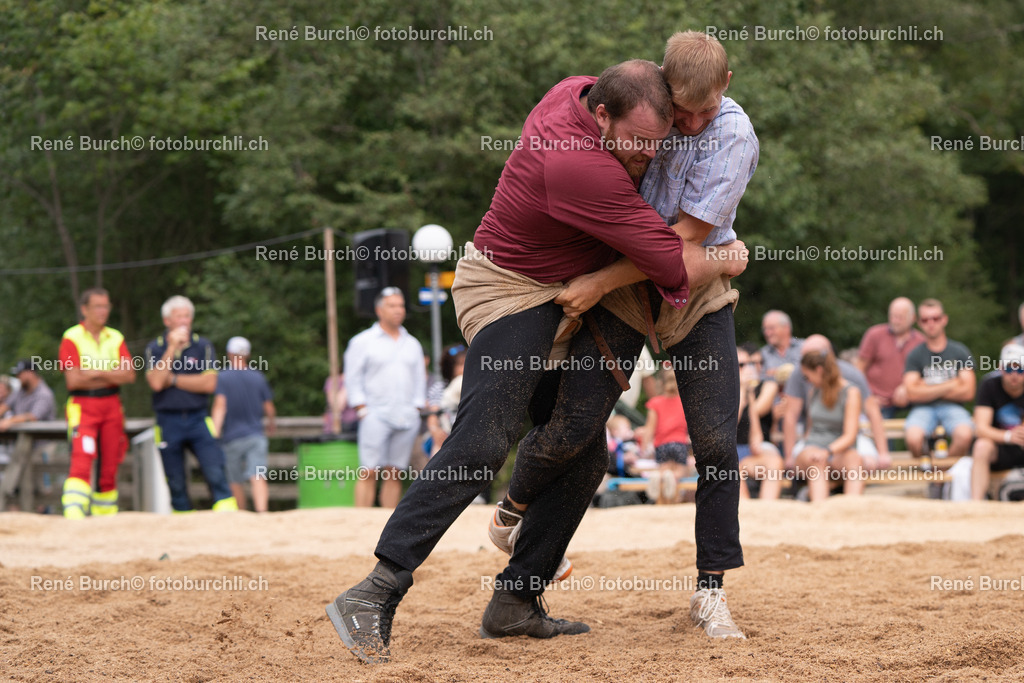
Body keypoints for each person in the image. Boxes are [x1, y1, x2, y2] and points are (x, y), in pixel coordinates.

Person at [327, 58, 747, 663]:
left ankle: (516, 602)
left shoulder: (580, 92)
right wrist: (730, 256)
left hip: (561, 285)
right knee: (483, 439)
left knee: (584, 451)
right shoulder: (580, 165)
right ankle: (377, 588)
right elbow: (676, 262)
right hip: (509, 288)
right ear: (601, 117)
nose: (650, 158)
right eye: (638, 144)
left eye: (659, 143)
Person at [488, 32, 757, 640]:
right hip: (629, 291)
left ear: (727, 85)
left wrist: (596, 282)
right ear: (663, 84)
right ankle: (514, 506)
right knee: (573, 426)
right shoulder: (641, 108)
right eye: (680, 111)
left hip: (692, 285)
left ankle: (710, 591)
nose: (689, 123)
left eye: (702, 111)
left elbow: (681, 243)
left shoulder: (733, 136)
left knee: (715, 444)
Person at [144, 295, 237, 513]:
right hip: (167, 420)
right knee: (175, 479)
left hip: (198, 418)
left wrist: (173, 380)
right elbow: (157, 383)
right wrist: (171, 350)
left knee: (215, 469)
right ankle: (183, 521)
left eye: (187, 316)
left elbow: (210, 384)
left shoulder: (203, 346)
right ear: (167, 321)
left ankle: (227, 516)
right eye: (179, 317)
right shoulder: (155, 348)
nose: (184, 321)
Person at [343, 287, 426, 509]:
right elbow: (352, 377)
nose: (398, 310)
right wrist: (361, 408)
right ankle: (361, 518)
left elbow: (420, 378)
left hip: (406, 415)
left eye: (400, 305)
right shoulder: (363, 342)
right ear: (379, 310)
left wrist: (417, 407)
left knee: (395, 471)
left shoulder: (412, 344)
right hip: (375, 413)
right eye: (392, 305)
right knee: (368, 469)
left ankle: (386, 521)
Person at [57, 288, 136, 518]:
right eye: (98, 306)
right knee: (82, 456)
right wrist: (111, 372)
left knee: (111, 461)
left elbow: (129, 375)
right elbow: (73, 380)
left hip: (112, 404)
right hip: (83, 406)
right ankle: (74, 513)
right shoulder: (72, 337)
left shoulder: (116, 337)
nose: (103, 311)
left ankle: (106, 517)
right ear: (84, 309)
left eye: (106, 306)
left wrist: (92, 372)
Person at [782, 334, 891, 472]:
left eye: (810, 357)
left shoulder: (851, 378)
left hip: (845, 440)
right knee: (813, 462)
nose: (804, 362)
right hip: (815, 439)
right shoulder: (801, 374)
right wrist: (789, 456)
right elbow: (791, 415)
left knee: (865, 463)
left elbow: (872, 412)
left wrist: (883, 453)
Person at [903, 299, 976, 461]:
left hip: (953, 408)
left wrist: (926, 386)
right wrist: (951, 383)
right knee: (913, 439)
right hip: (922, 409)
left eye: (935, 318)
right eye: (925, 319)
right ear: (919, 323)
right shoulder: (915, 355)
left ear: (944, 319)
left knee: (965, 435)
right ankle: (930, 470)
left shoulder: (960, 351)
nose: (931, 323)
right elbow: (912, 394)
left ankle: (940, 476)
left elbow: (968, 392)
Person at [211, 336, 276, 513]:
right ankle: (262, 512)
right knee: (258, 474)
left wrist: (214, 433)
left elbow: (220, 406)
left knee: (234, 479)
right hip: (256, 435)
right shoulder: (258, 377)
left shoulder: (222, 377)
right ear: (247, 354)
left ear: (229, 354)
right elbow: (269, 407)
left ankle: (241, 514)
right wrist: (271, 424)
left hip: (231, 437)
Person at [791, 347, 864, 501]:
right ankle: (820, 510)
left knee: (855, 461)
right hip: (813, 447)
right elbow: (810, 429)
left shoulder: (851, 392)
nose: (807, 381)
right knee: (816, 462)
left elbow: (850, 435)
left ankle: (853, 509)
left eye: (807, 376)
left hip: (838, 450)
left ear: (818, 370)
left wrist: (827, 451)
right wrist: (818, 451)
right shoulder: (814, 392)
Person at [855, 297, 925, 418]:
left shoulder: (922, 342)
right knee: (879, 431)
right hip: (879, 400)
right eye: (893, 316)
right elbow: (859, 369)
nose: (895, 321)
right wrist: (867, 396)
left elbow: (927, 375)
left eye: (900, 317)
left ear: (913, 318)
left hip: (911, 399)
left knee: (927, 419)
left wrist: (907, 387)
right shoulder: (875, 334)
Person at [970, 343, 1024, 499]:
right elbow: (980, 428)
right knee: (981, 446)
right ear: (1001, 368)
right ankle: (976, 504)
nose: (1014, 374)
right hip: (999, 447)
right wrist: (1009, 436)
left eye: (1020, 369)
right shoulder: (989, 385)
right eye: (1009, 369)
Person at [736, 345, 784, 500]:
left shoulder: (749, 391)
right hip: (725, 456)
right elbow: (727, 428)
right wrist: (742, 391)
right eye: (741, 365)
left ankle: (766, 510)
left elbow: (755, 432)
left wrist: (756, 443)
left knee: (774, 463)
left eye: (749, 364)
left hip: (744, 453)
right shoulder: (717, 393)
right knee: (731, 469)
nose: (747, 369)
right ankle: (744, 512)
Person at [641, 365, 691, 490]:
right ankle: (674, 476)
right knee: (681, 472)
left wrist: (643, 447)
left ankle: (660, 475)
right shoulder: (685, 401)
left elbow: (649, 428)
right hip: (680, 443)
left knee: (663, 468)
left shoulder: (655, 402)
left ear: (661, 382)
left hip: (662, 445)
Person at [0, 360, 57, 431]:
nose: (17, 377)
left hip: (42, 441)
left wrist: (10, 421)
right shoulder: (20, 391)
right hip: (23, 439)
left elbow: (33, 417)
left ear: (30, 373)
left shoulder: (44, 394)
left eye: (20, 373)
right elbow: (5, 406)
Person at [760, 310, 803, 379]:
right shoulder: (762, 354)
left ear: (786, 328)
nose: (767, 333)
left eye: (771, 328)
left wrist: (776, 372)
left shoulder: (804, 347)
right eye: (765, 329)